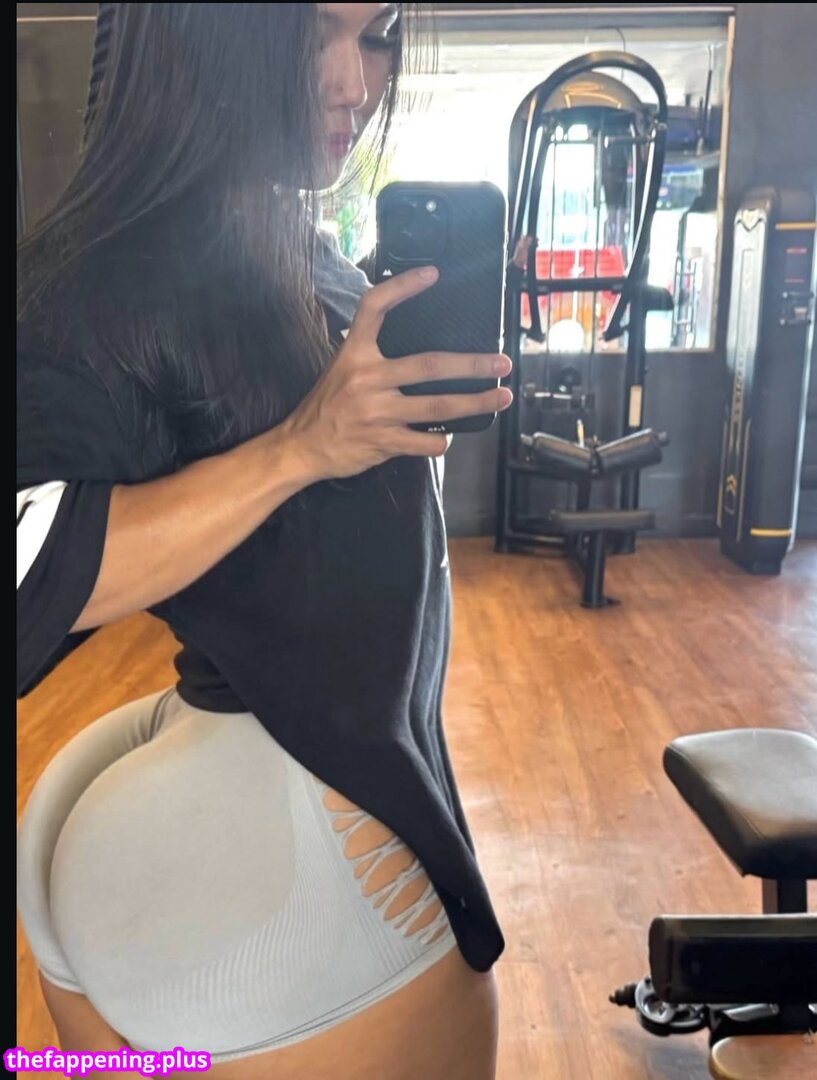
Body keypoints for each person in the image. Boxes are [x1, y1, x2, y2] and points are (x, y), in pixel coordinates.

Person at [16, 5, 511, 1079]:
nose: (353, 83)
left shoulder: (286, 244)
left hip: (161, 835)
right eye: (310, 35)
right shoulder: (113, 271)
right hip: (300, 885)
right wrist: (299, 450)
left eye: (376, 32)